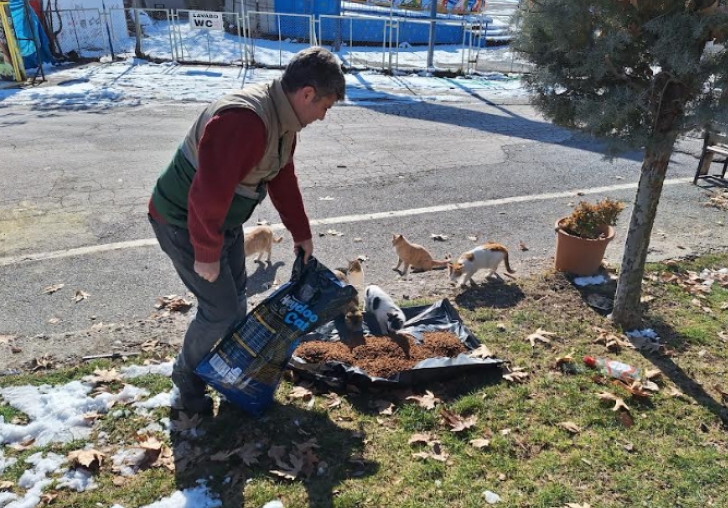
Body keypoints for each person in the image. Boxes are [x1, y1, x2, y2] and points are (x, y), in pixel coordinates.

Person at [148, 47, 345, 415]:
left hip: (222, 222)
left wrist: (301, 232)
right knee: (220, 311)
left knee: (237, 303)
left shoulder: (284, 124)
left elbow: (282, 178)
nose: (322, 117)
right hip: (183, 220)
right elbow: (206, 192)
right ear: (306, 94)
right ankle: (186, 381)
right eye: (325, 107)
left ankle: (226, 375)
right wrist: (206, 252)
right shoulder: (244, 120)